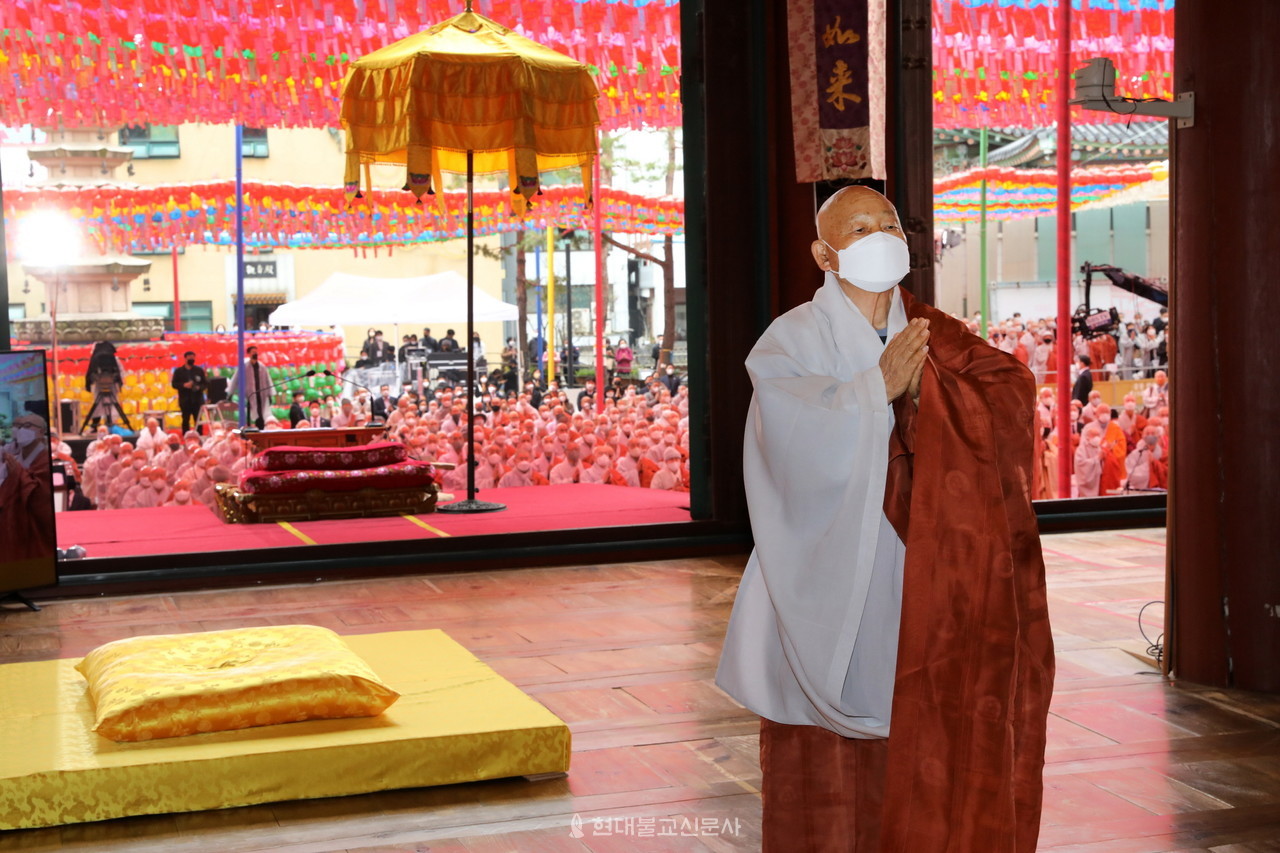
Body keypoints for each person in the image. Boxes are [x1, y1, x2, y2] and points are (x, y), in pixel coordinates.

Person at [715, 185, 1053, 851]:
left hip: (928, 560)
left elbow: (1011, 394)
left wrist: (933, 389)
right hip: (838, 563)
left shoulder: (933, 331)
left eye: (889, 224)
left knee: (930, 721)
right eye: (860, 228)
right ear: (825, 255)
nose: (880, 237)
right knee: (833, 756)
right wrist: (878, 389)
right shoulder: (791, 338)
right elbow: (786, 433)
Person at [228, 345, 272, 430]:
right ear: (249, 354)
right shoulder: (244, 366)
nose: (255, 353)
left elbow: (268, 380)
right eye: (253, 352)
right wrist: (230, 393)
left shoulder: (262, 367)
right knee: (248, 413)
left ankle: (260, 429)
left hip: (260, 394)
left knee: (260, 414)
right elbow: (235, 380)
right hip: (248, 395)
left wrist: (269, 395)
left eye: (256, 352)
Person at [170, 350, 208, 433]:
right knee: (185, 420)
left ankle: (199, 436)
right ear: (185, 358)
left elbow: (205, 384)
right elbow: (174, 384)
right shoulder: (178, 371)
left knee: (198, 420)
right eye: (190, 358)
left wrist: (198, 387)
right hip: (185, 400)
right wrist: (184, 385)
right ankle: (186, 436)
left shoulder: (199, 370)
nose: (192, 359)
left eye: (193, 358)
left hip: (197, 400)